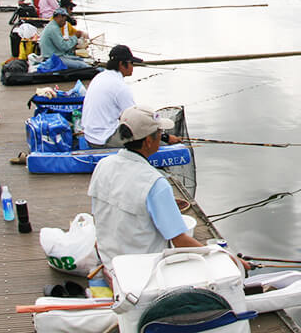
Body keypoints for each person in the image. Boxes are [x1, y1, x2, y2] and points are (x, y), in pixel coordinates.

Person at [88, 106, 247, 275]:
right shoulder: (155, 183)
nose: (161, 137)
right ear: (148, 141)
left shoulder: (103, 165)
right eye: (159, 133)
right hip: (143, 273)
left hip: (110, 263)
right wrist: (226, 257)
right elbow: (180, 240)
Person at [82, 45, 142, 148]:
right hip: (103, 139)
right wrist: (164, 137)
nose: (133, 67)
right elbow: (134, 119)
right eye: (131, 63)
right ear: (121, 64)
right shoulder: (120, 87)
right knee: (148, 142)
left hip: (90, 135)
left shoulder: (100, 76)